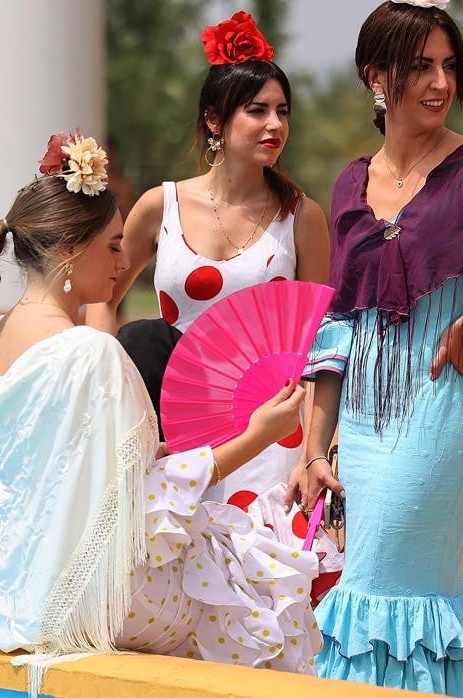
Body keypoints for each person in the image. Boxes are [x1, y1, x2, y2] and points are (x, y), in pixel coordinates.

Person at [0, 130, 321, 693]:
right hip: (98, 600)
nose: (123, 261)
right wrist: (259, 435)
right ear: (71, 248)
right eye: (114, 246)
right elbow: (146, 505)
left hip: (12, 598)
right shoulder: (89, 351)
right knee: (264, 585)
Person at [290, 2, 463, 694]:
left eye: (448, 66)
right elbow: (340, 321)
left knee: (391, 586)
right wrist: (315, 449)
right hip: (362, 426)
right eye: (420, 67)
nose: (440, 82)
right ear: (375, 77)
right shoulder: (352, 181)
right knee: (378, 588)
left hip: (440, 405)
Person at [88, 13, 340, 592]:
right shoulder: (160, 206)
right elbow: (101, 294)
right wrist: (104, 365)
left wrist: (314, 452)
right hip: (177, 425)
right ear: (214, 120)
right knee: (176, 582)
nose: (275, 124)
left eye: (283, 111)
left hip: (274, 432)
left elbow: (320, 347)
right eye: (258, 110)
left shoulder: (301, 217)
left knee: (265, 591)